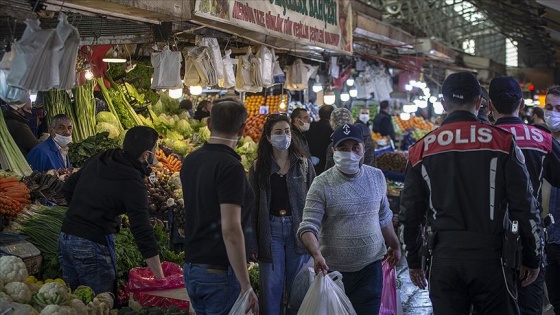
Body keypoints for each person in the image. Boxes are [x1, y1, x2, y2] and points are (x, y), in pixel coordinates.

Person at [399, 72, 542, 315]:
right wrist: (533, 257)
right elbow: (525, 207)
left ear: (443, 104)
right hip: (492, 260)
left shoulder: (420, 149)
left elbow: (410, 214)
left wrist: (414, 261)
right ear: (479, 103)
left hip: (443, 260)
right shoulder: (502, 143)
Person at [297, 123, 401, 315]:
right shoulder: (321, 183)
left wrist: (395, 245)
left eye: (355, 148)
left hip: (370, 268)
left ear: (363, 149)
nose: (350, 153)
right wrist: (316, 254)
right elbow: (308, 226)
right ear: (334, 150)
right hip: (334, 273)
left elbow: (384, 216)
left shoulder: (377, 177)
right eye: (343, 149)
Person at [58, 126, 164, 294]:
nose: (156, 153)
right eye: (154, 150)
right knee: (101, 305)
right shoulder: (133, 183)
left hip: (65, 237)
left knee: (74, 303)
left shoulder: (102, 157)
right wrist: (160, 277)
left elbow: (69, 187)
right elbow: (141, 229)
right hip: (92, 244)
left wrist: (81, 213)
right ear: (146, 155)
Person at [180, 98, 258, 315]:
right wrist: (246, 285)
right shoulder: (230, 167)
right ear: (242, 129)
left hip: (193, 268)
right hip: (219, 273)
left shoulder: (191, 160)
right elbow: (231, 229)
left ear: (208, 124)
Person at [490, 76, 560, 315]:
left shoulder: (480, 138)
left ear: (490, 105)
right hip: (532, 241)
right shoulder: (543, 139)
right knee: (530, 306)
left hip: (487, 244)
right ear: (521, 104)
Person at [248, 114, 315, 315]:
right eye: (278, 132)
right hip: (271, 231)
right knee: (270, 288)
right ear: (268, 137)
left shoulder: (303, 164)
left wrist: (317, 236)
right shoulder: (258, 166)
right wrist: (252, 242)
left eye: (287, 131)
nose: (284, 135)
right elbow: (251, 206)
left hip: (299, 231)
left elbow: (315, 200)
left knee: (299, 289)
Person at [544, 85, 560, 315]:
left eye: (558, 108)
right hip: (547, 240)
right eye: (549, 107)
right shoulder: (540, 144)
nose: (553, 113)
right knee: (556, 300)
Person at [306, 105, 334, 174]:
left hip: (314, 164)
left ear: (319, 114)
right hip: (330, 165)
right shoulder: (334, 129)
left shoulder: (311, 126)